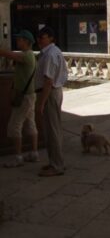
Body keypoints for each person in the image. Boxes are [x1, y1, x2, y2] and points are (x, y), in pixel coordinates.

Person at [1, 30, 39, 167]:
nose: (18, 42)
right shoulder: (29, 55)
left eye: (20, 39)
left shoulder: (27, 55)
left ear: (26, 41)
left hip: (24, 96)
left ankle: (17, 157)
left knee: (14, 125)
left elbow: (8, 54)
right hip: (29, 95)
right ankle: (34, 153)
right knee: (30, 123)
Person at [34, 26, 68, 177]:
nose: (40, 40)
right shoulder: (54, 52)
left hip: (50, 93)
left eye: (43, 37)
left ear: (50, 38)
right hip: (54, 92)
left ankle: (57, 165)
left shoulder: (49, 55)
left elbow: (48, 80)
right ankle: (55, 161)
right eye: (39, 37)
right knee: (53, 129)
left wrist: (41, 102)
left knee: (52, 130)